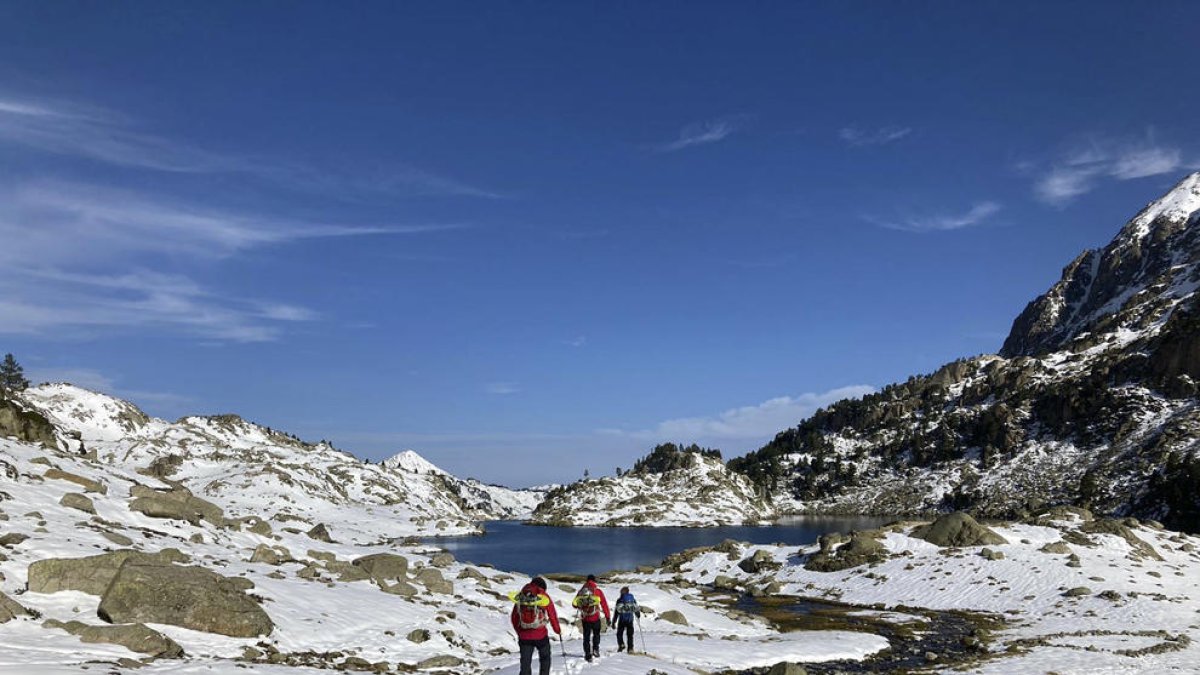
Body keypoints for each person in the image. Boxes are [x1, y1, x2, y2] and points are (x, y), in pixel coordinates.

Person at [510, 576, 561, 675]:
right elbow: (552, 615)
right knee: (545, 658)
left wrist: (520, 632)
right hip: (540, 635)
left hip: (524, 636)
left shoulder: (521, 596)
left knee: (525, 663)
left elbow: (514, 617)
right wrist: (557, 630)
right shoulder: (543, 596)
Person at [572, 574, 610, 662]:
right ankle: (596, 650)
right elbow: (604, 604)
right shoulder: (598, 591)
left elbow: (574, 604)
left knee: (586, 637)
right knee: (596, 635)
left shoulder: (581, 591)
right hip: (595, 617)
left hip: (585, 619)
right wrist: (607, 617)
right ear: (594, 581)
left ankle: (587, 654)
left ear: (587, 581)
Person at [612, 586, 640, 654]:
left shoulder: (619, 600)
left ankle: (621, 644)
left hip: (622, 620)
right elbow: (636, 608)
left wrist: (614, 621)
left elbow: (617, 612)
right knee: (630, 635)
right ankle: (630, 648)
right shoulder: (632, 599)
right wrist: (638, 615)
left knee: (619, 634)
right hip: (630, 620)